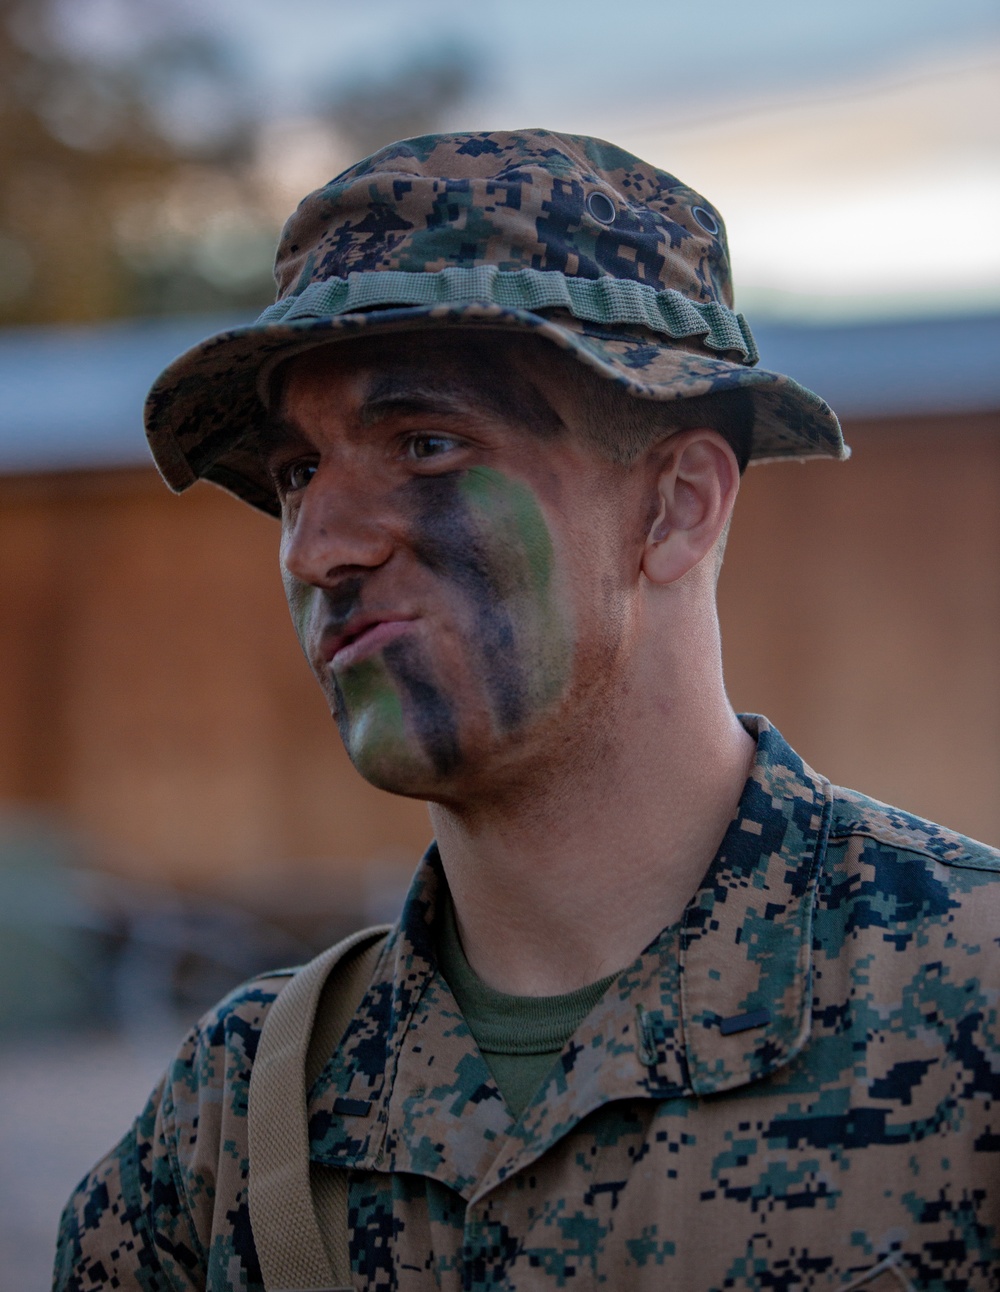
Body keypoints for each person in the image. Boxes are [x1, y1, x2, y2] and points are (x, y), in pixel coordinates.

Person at [55, 131, 999, 1290]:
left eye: (427, 444)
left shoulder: (967, 1012)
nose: (319, 547)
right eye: (298, 473)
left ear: (679, 507)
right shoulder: (234, 1122)